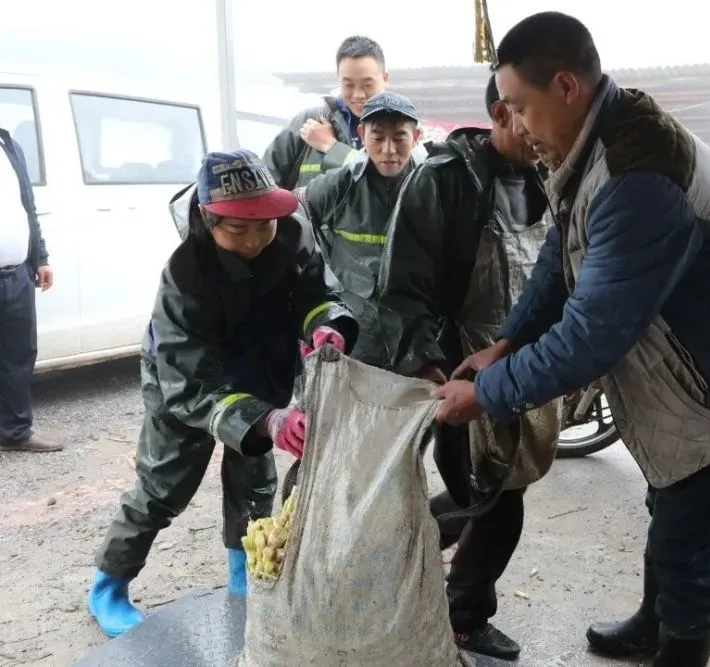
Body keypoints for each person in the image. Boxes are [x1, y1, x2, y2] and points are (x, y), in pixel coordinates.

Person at [427, 12, 710, 667]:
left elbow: (589, 338)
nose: (515, 124)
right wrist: (508, 341)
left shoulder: (640, 177)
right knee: (668, 498)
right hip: (691, 363)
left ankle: (679, 650)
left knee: (687, 542)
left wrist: (486, 393)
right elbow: (560, 249)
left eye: (520, 106)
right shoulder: (593, 141)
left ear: (566, 86)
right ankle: (650, 622)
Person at [86, 149, 358, 639]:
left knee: (255, 481)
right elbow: (191, 386)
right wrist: (270, 421)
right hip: (183, 379)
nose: (255, 239)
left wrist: (326, 327)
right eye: (238, 229)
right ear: (207, 222)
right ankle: (109, 586)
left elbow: (320, 296)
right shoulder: (184, 277)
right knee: (163, 486)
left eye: (264, 225)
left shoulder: (293, 239)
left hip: (258, 368)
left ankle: (245, 576)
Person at [377, 74, 551, 661]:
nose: (546, 133)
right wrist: (430, 363)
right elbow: (402, 288)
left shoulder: (551, 173)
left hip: (527, 361)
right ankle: (463, 614)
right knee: (499, 499)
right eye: (532, 116)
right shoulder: (444, 180)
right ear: (502, 112)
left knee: (499, 487)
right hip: (461, 366)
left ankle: (404, 550)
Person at [276, 91, 426, 500]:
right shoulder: (339, 185)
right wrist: (311, 309)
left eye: (400, 137)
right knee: (330, 451)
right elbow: (289, 226)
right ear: (361, 134)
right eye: (378, 137)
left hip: (411, 353)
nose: (389, 149)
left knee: (395, 456)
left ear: (417, 135)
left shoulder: (434, 188)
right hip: (347, 347)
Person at [263, 36, 388, 189]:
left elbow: (387, 186)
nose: (358, 95)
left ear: (385, 78)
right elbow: (265, 184)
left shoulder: (402, 129)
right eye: (348, 84)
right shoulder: (308, 122)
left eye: (368, 84)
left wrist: (332, 147)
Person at [0, 128, 58, 453]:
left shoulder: (8, 145)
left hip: (17, 273)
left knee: (19, 356)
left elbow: (27, 207)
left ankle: (16, 431)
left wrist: (41, 258)